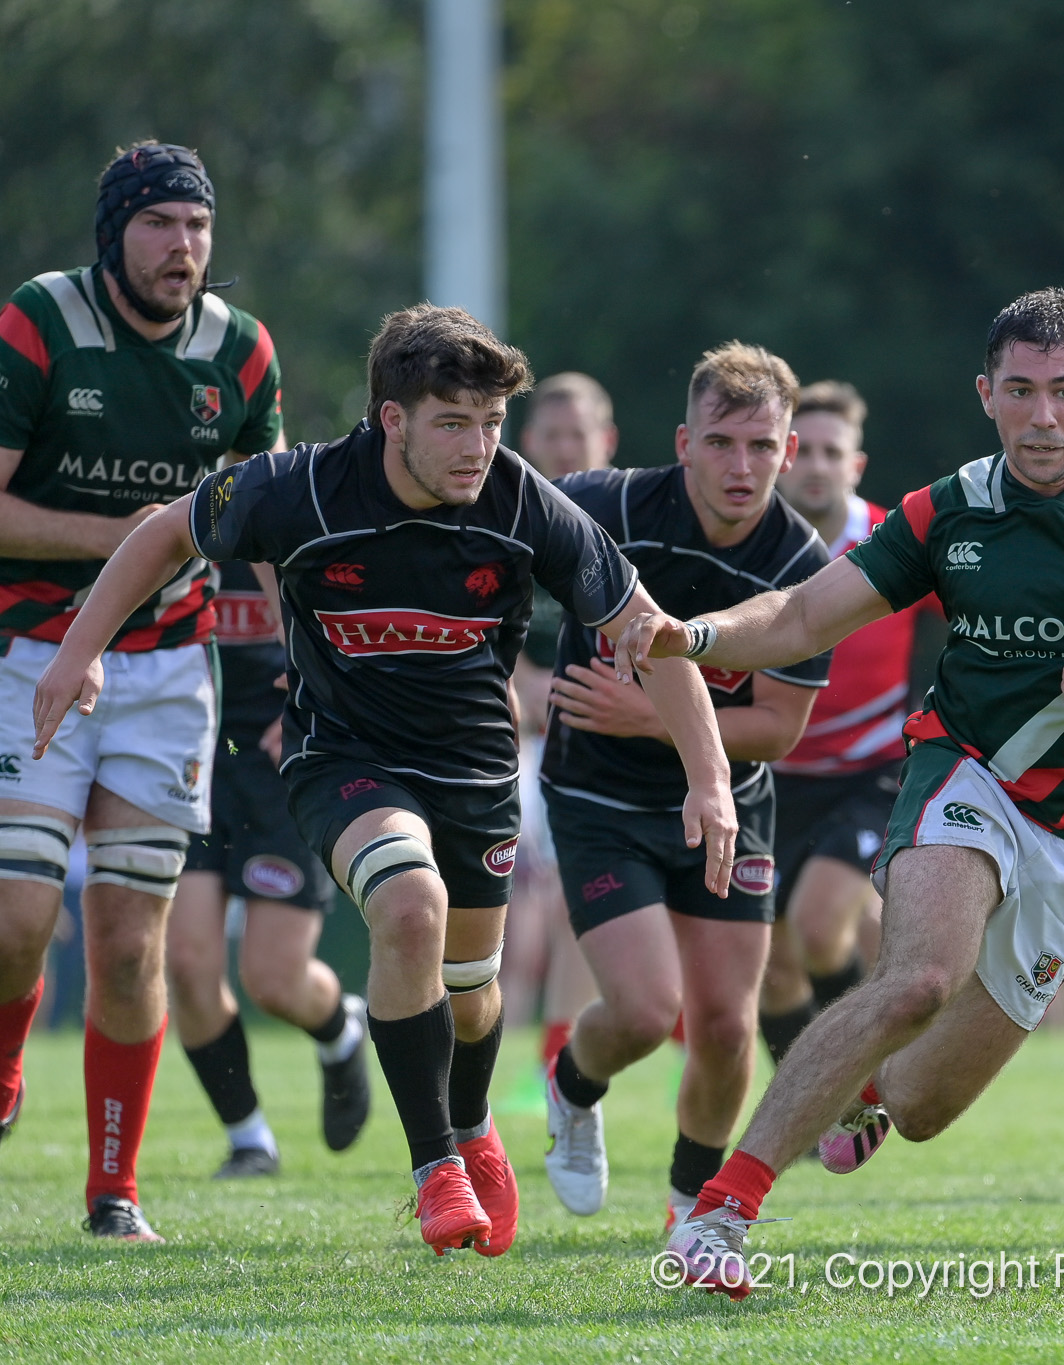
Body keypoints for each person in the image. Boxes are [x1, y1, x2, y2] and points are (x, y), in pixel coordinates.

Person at [30, 304, 738, 1257]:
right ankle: (436, 1166)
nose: (478, 446)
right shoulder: (301, 488)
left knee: (473, 991)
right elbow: (165, 533)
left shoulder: (522, 502)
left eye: (491, 422)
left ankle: (473, 1123)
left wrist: (709, 776)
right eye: (454, 423)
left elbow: (648, 631)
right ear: (391, 419)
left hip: (477, 771)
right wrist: (77, 650)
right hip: (346, 758)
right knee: (410, 907)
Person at [652, 288, 1064, 1297]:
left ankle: (865, 1083)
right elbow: (804, 615)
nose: (1042, 416)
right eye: (1020, 391)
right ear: (985, 394)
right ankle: (719, 1214)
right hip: (967, 771)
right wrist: (689, 635)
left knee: (920, 1108)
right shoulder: (950, 509)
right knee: (917, 979)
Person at [0, 143, 284, 1241]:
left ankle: (113, 1190)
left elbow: (265, 520)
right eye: (159, 223)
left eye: (197, 226)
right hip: (30, 649)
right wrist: (127, 539)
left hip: (168, 666)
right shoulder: (40, 321)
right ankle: (7, 1061)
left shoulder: (243, 351)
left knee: (127, 943)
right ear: (113, 233)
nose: (183, 246)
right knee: (18, 919)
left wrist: (308, 656)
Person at [537, 343, 829, 1226]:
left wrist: (646, 714)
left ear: (786, 450)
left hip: (731, 801)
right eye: (720, 443)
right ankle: (572, 1085)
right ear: (683, 443)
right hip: (599, 796)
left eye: (762, 445)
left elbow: (778, 726)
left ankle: (690, 1213)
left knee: (729, 1026)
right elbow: (489, 552)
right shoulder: (606, 506)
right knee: (644, 1009)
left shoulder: (803, 561)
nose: (742, 466)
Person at [165, 556, 371, 1177]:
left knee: (273, 980)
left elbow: (366, 637)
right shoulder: (167, 525)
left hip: (276, 761)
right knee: (186, 962)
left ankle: (340, 1031)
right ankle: (249, 1138)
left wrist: (320, 711)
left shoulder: (295, 521)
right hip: (184, 754)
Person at [756, 380, 938, 1064]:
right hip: (770, 777)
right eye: (804, 450)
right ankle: (809, 1107)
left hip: (871, 773)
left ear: (855, 465)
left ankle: (866, 1073)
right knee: (772, 967)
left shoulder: (895, 543)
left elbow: (979, 616)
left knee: (820, 927)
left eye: (833, 452)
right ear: (783, 457)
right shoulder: (751, 545)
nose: (817, 466)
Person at [503, 373, 614, 1065]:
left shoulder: (628, 526)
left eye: (579, 434)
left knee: (582, 910)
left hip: (600, 741)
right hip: (514, 744)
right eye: (553, 435)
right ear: (528, 442)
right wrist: (527, 685)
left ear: (608, 440)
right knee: (510, 923)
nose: (567, 448)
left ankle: (557, 1070)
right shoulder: (503, 520)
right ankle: (479, 1077)